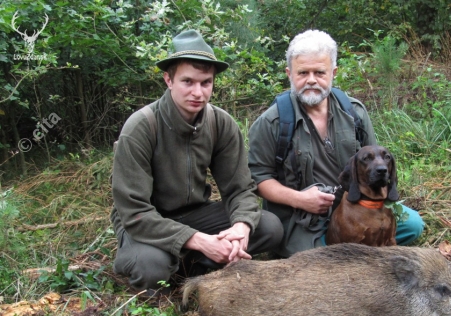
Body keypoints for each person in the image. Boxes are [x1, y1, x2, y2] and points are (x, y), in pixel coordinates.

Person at [111, 30, 283, 294]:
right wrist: (200, 241)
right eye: (187, 81)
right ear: (168, 79)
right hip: (149, 223)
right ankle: (185, 261)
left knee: (269, 227)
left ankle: (190, 263)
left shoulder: (220, 123)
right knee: (151, 267)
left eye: (206, 83)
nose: (198, 92)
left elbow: (240, 190)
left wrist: (240, 227)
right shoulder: (141, 127)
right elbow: (135, 213)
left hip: (195, 214)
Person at [248, 29, 424, 258]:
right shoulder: (271, 122)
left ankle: (362, 250)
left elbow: (374, 163)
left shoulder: (354, 112)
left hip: (357, 207)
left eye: (319, 72)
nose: (311, 80)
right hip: (302, 218)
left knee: (413, 226)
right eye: (303, 73)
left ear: (333, 72)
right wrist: (301, 200)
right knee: (325, 260)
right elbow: (259, 179)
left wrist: (384, 202)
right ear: (289, 74)